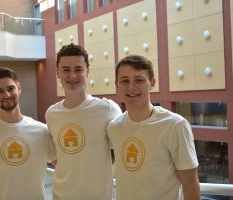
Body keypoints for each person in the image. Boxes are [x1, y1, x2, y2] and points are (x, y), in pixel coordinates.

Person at [107, 54, 201, 200]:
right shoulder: (114, 127)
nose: (131, 87)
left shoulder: (175, 125)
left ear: (152, 83)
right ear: (117, 84)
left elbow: (190, 185)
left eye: (139, 80)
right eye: (124, 81)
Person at [45, 43, 122, 200]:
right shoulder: (52, 114)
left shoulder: (107, 109)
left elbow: (122, 152)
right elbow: (56, 155)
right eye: (66, 69)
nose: (72, 76)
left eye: (78, 69)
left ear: (88, 72)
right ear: (57, 73)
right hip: (60, 196)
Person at [0, 67, 55, 200]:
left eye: (10, 89)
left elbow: (64, 166)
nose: (6, 95)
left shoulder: (42, 131)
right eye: (0, 91)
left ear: (19, 88)